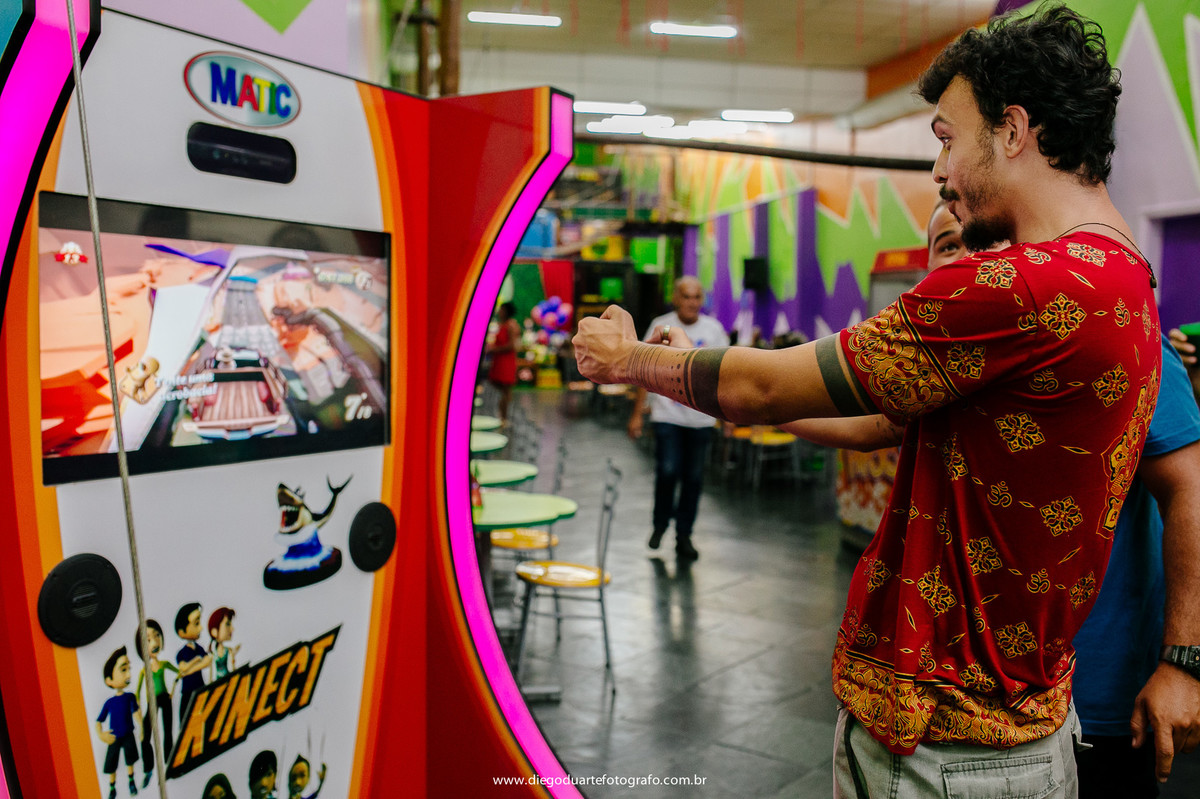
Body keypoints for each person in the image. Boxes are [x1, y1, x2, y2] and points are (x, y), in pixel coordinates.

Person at [573, 6, 1168, 795]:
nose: (939, 172)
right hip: (1021, 724)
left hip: (944, 745)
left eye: (948, 137)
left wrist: (630, 359)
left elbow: (762, 383)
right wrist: (700, 375)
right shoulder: (1125, 273)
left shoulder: (1019, 284)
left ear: (1014, 129)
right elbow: (879, 419)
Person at [787, 204, 1200, 796]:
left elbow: (1191, 490)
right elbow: (864, 421)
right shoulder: (945, 360)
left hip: (1100, 698)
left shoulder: (1109, 336)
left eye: (988, 241)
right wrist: (727, 398)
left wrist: (1183, 663)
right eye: (950, 244)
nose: (972, 257)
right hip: (956, 711)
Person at [626, 276, 729, 560]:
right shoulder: (662, 326)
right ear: (675, 298)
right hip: (666, 416)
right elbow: (642, 372)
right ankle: (660, 524)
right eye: (686, 296)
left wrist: (728, 418)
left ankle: (684, 536)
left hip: (702, 420)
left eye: (697, 297)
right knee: (668, 471)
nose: (692, 302)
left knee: (693, 479)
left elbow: (726, 377)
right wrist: (637, 415)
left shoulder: (714, 330)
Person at [134, 619, 178, 788]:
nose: (154, 641)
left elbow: (178, 672)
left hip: (165, 698)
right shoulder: (144, 670)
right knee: (146, 737)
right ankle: (149, 768)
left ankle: (169, 761)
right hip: (152, 702)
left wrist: (172, 691)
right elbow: (137, 692)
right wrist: (137, 709)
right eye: (148, 639)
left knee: (168, 730)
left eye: (157, 636)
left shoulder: (165, 664)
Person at [96, 647, 142, 799]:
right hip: (114, 736)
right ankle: (112, 788)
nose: (129, 674)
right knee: (111, 765)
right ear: (109, 679)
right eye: (123, 669)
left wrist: (142, 728)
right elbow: (99, 721)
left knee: (130, 759)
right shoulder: (110, 702)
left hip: (128, 733)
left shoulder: (130, 697)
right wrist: (101, 734)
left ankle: (131, 781)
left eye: (128, 668)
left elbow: (136, 712)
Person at [486, 301, 521, 425]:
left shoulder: (510, 326)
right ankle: (502, 415)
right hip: (499, 360)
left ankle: (504, 418)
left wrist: (494, 349)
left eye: (501, 309)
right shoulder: (503, 325)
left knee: (506, 390)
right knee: (499, 387)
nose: (499, 312)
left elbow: (511, 345)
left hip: (506, 361)